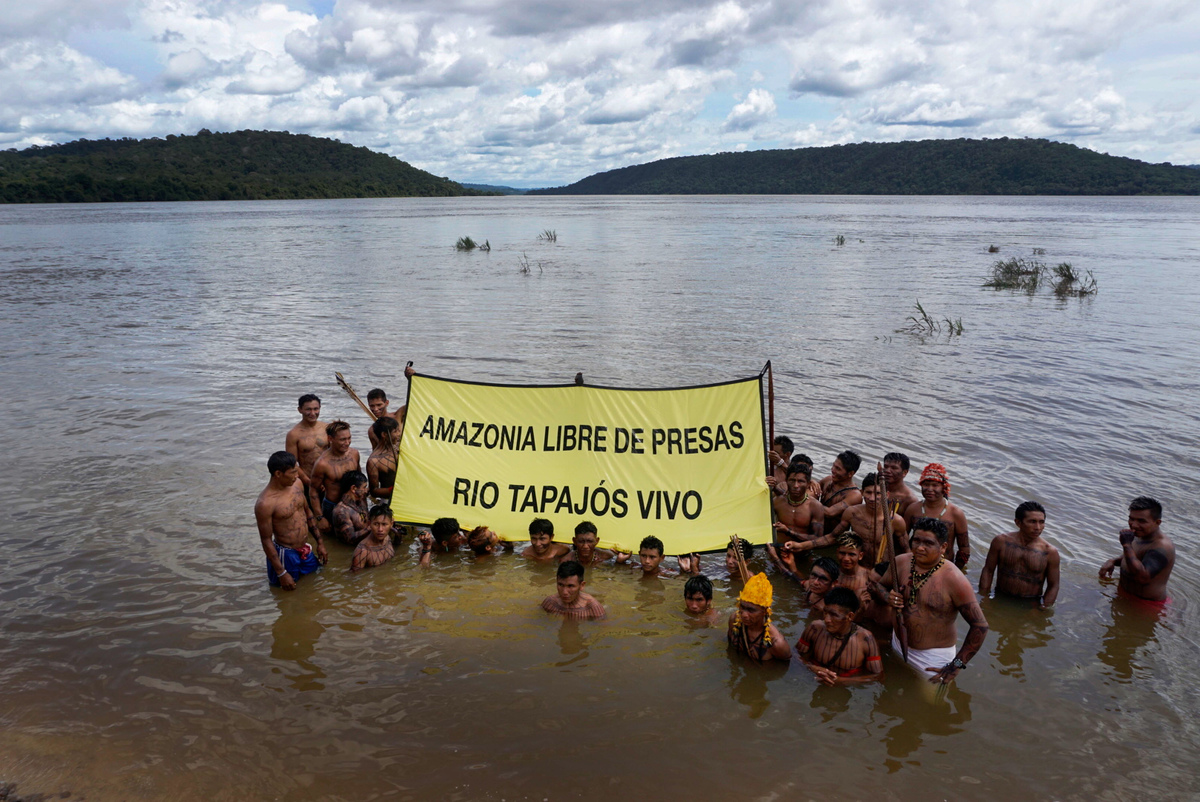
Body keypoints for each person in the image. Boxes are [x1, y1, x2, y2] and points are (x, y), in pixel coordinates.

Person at [881, 517, 989, 684]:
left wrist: (957, 665)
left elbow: (980, 626)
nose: (920, 547)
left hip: (933, 658)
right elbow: (878, 587)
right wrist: (887, 596)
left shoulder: (954, 580)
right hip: (898, 642)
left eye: (928, 543)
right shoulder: (901, 562)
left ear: (943, 547)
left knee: (933, 705)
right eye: (916, 540)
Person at [792, 473, 907, 566]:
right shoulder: (852, 513)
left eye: (877, 493)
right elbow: (833, 537)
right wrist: (802, 546)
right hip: (855, 567)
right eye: (868, 492)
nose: (872, 498)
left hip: (880, 570)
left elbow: (906, 551)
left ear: (886, 495)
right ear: (862, 492)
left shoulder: (895, 521)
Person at [254, 451, 327, 590]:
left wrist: (320, 543)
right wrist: (281, 572)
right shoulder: (265, 503)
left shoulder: (297, 485)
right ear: (278, 474)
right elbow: (266, 540)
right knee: (286, 592)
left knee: (315, 582)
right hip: (285, 554)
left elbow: (307, 513)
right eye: (293, 472)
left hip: (305, 549)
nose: (297, 475)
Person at [979, 501, 1061, 609]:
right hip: (1000, 596)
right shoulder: (1001, 542)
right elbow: (988, 570)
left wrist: (1043, 609)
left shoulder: (1050, 552)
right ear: (1018, 522)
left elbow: (1053, 585)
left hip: (1030, 603)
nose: (1038, 527)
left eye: (1041, 522)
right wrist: (983, 597)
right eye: (1032, 522)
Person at [796, 587, 883, 685]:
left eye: (834, 615)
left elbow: (877, 676)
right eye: (825, 612)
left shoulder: (866, 639)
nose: (827, 619)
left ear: (850, 616)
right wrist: (811, 667)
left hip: (845, 688)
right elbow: (796, 655)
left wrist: (840, 681)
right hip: (812, 680)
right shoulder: (815, 628)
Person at [1099, 496, 1175, 605]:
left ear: (1157, 522)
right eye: (1131, 519)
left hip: (1146, 606)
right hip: (1125, 597)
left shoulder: (1162, 546)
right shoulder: (1141, 535)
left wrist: (1126, 545)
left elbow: (1142, 577)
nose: (1134, 525)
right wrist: (1113, 561)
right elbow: (1134, 558)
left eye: (1141, 521)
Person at [902, 463, 970, 569]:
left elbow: (964, 549)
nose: (929, 489)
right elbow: (902, 538)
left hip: (943, 567)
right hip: (915, 564)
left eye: (935, 485)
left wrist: (955, 570)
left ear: (944, 487)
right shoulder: (913, 509)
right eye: (926, 484)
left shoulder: (955, 513)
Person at [769, 463, 824, 577]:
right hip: (778, 554)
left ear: (808, 484)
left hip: (802, 556)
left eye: (800, 481)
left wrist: (788, 532)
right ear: (786, 481)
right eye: (792, 480)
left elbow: (818, 540)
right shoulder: (777, 502)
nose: (795, 485)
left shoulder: (815, 506)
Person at [308, 420, 361, 533]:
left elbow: (359, 479)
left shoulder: (354, 454)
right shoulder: (322, 464)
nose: (347, 443)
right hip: (332, 506)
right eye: (342, 439)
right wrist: (320, 518)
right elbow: (313, 491)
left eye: (349, 438)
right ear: (330, 439)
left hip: (354, 504)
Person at [727, 573, 791, 662]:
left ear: (764, 611)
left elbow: (782, 670)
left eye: (751, 610)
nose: (744, 615)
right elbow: (730, 650)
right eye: (742, 607)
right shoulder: (734, 620)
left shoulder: (777, 644)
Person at [284, 394, 327, 486]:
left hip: (328, 479)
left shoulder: (327, 428)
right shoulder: (293, 434)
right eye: (308, 409)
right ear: (300, 410)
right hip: (307, 479)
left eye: (316, 409)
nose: (312, 413)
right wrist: (307, 481)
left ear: (320, 408)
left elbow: (336, 453)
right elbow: (292, 463)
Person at [541, 560, 606, 620]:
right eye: (560, 585)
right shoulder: (550, 603)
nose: (564, 592)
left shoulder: (593, 608)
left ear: (582, 585)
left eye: (570, 586)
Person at [819, 450, 864, 532]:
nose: (833, 470)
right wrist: (811, 482)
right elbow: (809, 489)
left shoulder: (854, 495)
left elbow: (830, 513)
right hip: (817, 529)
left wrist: (806, 501)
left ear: (850, 474)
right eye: (833, 466)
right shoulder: (828, 480)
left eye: (838, 469)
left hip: (833, 537)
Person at [833, 533, 874, 619]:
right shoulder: (831, 573)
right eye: (842, 553)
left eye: (851, 554)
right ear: (837, 552)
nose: (846, 559)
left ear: (860, 556)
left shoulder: (869, 576)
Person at [351, 504, 397, 572]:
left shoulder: (387, 538)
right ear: (369, 524)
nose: (380, 529)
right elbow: (355, 579)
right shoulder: (363, 551)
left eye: (384, 524)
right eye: (376, 524)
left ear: (391, 524)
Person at [331, 470, 371, 546]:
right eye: (364, 487)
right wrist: (371, 528)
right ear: (353, 488)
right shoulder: (341, 511)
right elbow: (349, 539)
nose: (366, 491)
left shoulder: (361, 499)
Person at [366, 416, 400, 503]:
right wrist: (395, 489)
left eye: (398, 430)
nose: (398, 434)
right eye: (395, 431)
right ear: (384, 434)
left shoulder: (400, 447)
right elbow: (374, 491)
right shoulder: (374, 461)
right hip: (389, 501)